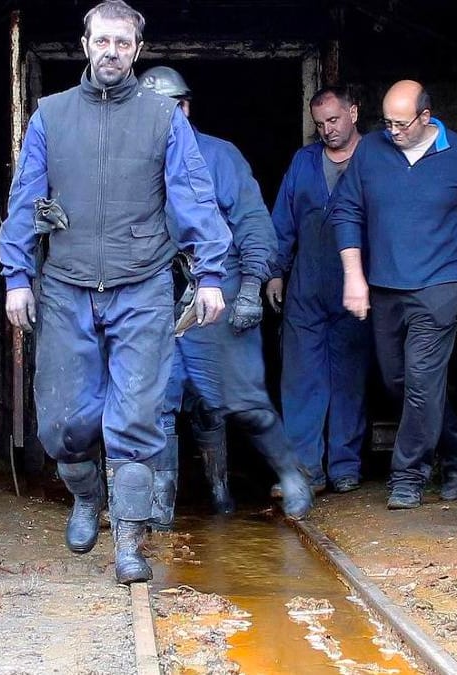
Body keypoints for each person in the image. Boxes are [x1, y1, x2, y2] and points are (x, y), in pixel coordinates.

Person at [0, 0, 232, 585]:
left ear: (136, 50)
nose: (111, 52)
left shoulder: (162, 117)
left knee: (136, 418)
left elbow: (192, 193)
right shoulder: (51, 115)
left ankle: (129, 540)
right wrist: (17, 277)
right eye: (102, 41)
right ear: (85, 45)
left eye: (122, 43)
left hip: (142, 283)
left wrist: (209, 274)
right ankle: (85, 496)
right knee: (64, 423)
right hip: (66, 284)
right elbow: (25, 198)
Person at [138, 65, 314, 525]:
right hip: (159, 294)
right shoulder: (130, 163)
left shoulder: (219, 156)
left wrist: (253, 284)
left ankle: (290, 474)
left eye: (170, 108)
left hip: (220, 286)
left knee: (240, 399)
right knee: (158, 403)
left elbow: (253, 222)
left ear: (185, 107)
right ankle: (160, 509)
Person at [328, 80, 457, 510]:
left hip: (438, 285)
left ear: (426, 116)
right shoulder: (371, 151)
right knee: (398, 381)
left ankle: (408, 477)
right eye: (388, 123)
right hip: (386, 286)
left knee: (421, 380)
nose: (393, 131)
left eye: (401, 124)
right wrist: (354, 277)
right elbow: (347, 211)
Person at [267, 85, 372, 495]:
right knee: (300, 379)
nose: (327, 129)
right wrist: (276, 272)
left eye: (334, 119)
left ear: (353, 113)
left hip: (356, 284)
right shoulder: (304, 161)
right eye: (320, 123)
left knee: (349, 376)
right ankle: (305, 469)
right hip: (307, 284)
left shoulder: (375, 158)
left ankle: (345, 464)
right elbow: (283, 220)